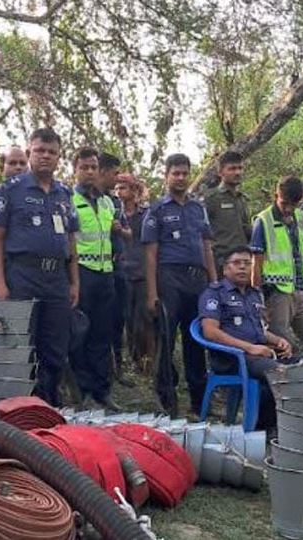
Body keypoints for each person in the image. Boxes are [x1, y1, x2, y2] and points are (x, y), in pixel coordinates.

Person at [0, 128, 80, 406]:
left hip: (57, 280)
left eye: (52, 152)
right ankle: (20, 412)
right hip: (22, 276)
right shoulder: (10, 190)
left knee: (54, 349)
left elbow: (71, 240)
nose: (45, 156)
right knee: (20, 347)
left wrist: (74, 282)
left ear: (58, 158)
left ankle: (49, 409)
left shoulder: (65, 194)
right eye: (40, 151)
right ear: (29, 154)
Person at [143, 153, 218, 416]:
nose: (181, 178)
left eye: (185, 173)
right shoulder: (157, 210)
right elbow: (151, 254)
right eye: (176, 173)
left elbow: (207, 248)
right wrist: (152, 292)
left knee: (196, 340)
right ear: (166, 176)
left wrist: (215, 284)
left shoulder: (199, 208)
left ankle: (199, 402)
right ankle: (167, 400)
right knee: (166, 339)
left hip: (197, 281)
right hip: (169, 278)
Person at [200, 247, 298, 429]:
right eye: (237, 263)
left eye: (247, 263)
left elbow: (259, 330)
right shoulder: (215, 293)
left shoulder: (255, 294)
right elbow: (210, 332)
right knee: (277, 372)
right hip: (232, 357)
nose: (243, 268)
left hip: (258, 354)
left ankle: (297, 426)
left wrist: (278, 341)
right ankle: (265, 429)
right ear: (225, 269)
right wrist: (249, 348)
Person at [251, 176, 303, 363]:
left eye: (293, 205)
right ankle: (284, 389)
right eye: (285, 203)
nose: (288, 209)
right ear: (276, 195)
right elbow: (256, 264)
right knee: (283, 346)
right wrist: (257, 300)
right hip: (277, 295)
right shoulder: (263, 221)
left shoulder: (301, 217)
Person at [69, 149, 120, 409]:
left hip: (106, 275)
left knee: (103, 334)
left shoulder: (108, 203)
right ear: (75, 170)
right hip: (82, 275)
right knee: (81, 334)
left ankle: (102, 391)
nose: (89, 172)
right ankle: (84, 391)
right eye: (84, 167)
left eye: (93, 167)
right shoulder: (68, 200)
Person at [98, 152, 133, 384]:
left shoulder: (114, 202)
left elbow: (130, 234)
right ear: (102, 171)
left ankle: (117, 369)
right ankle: (100, 372)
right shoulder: (86, 199)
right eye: (113, 173)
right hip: (96, 268)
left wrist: (119, 229)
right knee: (99, 323)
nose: (116, 178)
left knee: (118, 321)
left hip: (119, 267)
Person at [115, 173, 153, 370]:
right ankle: (129, 359)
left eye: (123, 188)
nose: (119, 192)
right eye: (117, 188)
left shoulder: (145, 214)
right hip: (121, 270)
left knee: (144, 318)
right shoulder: (113, 211)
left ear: (134, 190)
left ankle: (146, 359)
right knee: (126, 317)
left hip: (141, 270)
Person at [203, 150, 250, 272]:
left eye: (240, 168)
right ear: (220, 172)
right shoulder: (211, 199)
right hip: (220, 264)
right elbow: (202, 234)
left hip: (242, 264)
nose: (238, 172)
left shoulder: (243, 199)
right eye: (232, 169)